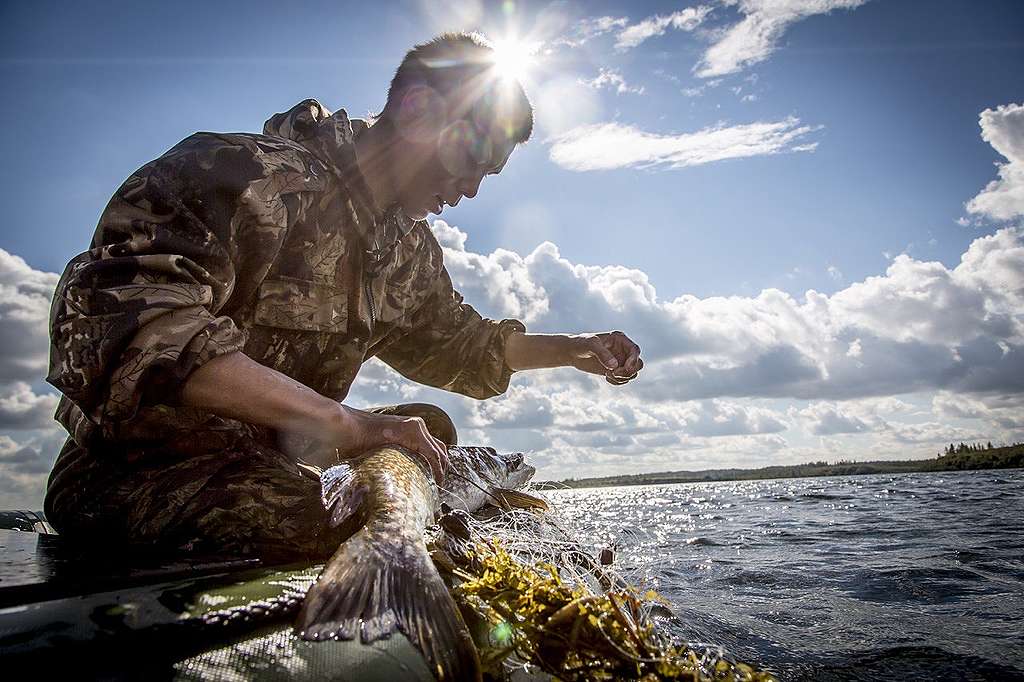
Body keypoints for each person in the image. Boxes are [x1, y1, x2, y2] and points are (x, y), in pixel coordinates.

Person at [43, 32, 643, 562]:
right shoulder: (239, 175)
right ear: (417, 110)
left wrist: (572, 348)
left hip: (280, 455)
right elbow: (126, 331)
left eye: (490, 174)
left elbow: (461, 344)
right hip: (139, 470)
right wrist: (346, 425)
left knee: (428, 431)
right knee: (373, 519)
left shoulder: (405, 248)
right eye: (472, 158)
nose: (469, 188)